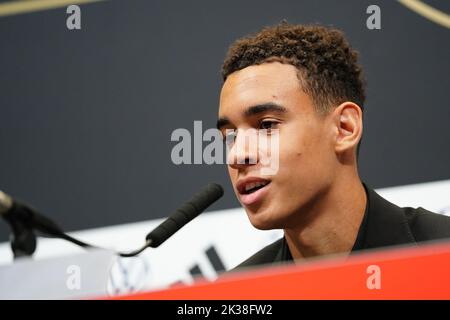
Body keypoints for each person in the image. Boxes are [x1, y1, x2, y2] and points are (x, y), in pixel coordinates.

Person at [216, 22, 450, 270]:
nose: (237, 155)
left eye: (266, 126)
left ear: (344, 128)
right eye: (229, 136)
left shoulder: (442, 254)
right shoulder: (234, 295)